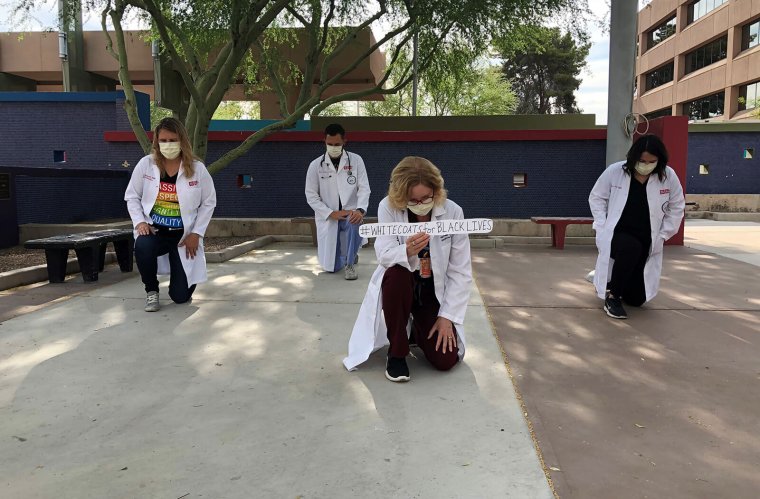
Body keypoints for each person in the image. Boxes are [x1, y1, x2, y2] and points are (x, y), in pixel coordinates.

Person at [343, 157, 472, 382]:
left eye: (426, 198)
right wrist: (407, 250)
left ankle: (417, 331)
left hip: (432, 290)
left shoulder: (453, 212)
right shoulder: (388, 207)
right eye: (413, 200)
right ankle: (397, 353)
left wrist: (447, 317)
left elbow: (460, 270)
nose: (420, 204)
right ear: (401, 197)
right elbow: (384, 254)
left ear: (437, 191)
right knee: (396, 274)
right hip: (401, 286)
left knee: (446, 360)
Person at [125, 117, 217, 312]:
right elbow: (132, 196)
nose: (168, 145)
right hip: (156, 232)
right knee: (142, 244)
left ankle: (183, 279)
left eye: (172, 140)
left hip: (184, 237)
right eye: (163, 140)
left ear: (182, 140)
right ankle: (152, 291)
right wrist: (140, 222)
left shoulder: (197, 169)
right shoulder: (146, 165)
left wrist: (196, 234)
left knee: (180, 297)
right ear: (157, 142)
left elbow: (209, 202)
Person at [589, 134, 685, 319]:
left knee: (636, 299)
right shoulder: (615, 171)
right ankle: (613, 297)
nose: (646, 165)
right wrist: (601, 226)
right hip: (618, 233)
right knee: (630, 248)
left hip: (649, 237)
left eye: (652, 161)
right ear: (633, 158)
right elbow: (597, 197)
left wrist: (664, 234)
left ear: (659, 160)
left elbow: (677, 206)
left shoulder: (668, 176)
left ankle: (610, 279)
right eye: (641, 160)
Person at [305, 123, 371, 280]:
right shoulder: (315, 165)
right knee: (332, 268)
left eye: (337, 144)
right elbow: (311, 195)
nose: (333, 147)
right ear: (324, 142)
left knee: (355, 221)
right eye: (330, 144)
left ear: (344, 142)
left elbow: (364, 188)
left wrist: (360, 210)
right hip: (330, 216)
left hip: (350, 212)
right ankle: (349, 255)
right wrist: (331, 213)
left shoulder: (356, 161)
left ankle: (350, 264)